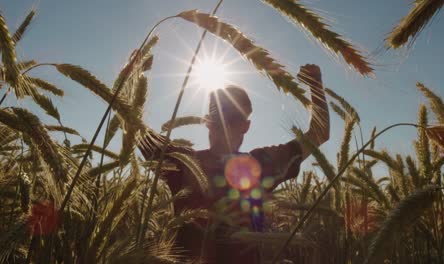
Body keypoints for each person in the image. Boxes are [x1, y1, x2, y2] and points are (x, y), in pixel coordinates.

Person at [139, 64, 329, 263]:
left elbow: (318, 134)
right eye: (220, 116)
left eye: (232, 117)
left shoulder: (257, 163)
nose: (225, 123)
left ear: (245, 126)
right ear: (208, 121)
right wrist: (135, 73)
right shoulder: (184, 162)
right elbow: (132, 122)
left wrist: (315, 84)